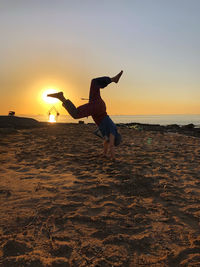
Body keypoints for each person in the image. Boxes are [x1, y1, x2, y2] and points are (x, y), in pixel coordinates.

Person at [47, 71, 123, 160]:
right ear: (115, 139)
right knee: (76, 114)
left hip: (99, 106)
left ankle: (112, 79)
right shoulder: (112, 132)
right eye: (113, 141)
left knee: (94, 82)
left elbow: (106, 143)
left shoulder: (107, 135)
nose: (111, 141)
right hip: (97, 109)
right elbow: (111, 146)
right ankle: (61, 97)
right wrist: (113, 158)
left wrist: (104, 154)